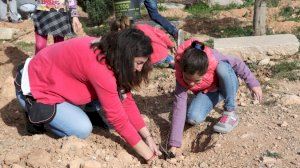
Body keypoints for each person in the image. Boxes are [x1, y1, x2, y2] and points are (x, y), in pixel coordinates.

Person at [14, 28, 162, 162]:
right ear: (126, 55)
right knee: (82, 129)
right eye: (138, 63)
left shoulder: (112, 51)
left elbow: (125, 99)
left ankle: (84, 110)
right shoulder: (101, 67)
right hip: (33, 87)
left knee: (106, 96)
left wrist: (148, 138)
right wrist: (147, 154)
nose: (139, 68)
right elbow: (118, 119)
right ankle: (34, 111)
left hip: (55, 77)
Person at [168, 39, 263, 155]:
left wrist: (253, 83)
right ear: (182, 70)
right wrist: (174, 143)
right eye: (188, 79)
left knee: (222, 67)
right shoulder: (180, 74)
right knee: (193, 118)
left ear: (206, 70)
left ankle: (230, 111)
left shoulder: (214, 58)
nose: (191, 84)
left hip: (227, 82)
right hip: (210, 92)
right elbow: (179, 106)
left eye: (197, 80)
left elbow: (238, 63)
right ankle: (215, 99)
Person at [110, 16, 175, 68]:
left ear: (118, 30)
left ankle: (161, 64)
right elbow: (162, 34)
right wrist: (171, 44)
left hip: (149, 60)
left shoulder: (127, 38)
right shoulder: (142, 26)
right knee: (166, 57)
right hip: (163, 52)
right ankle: (170, 61)